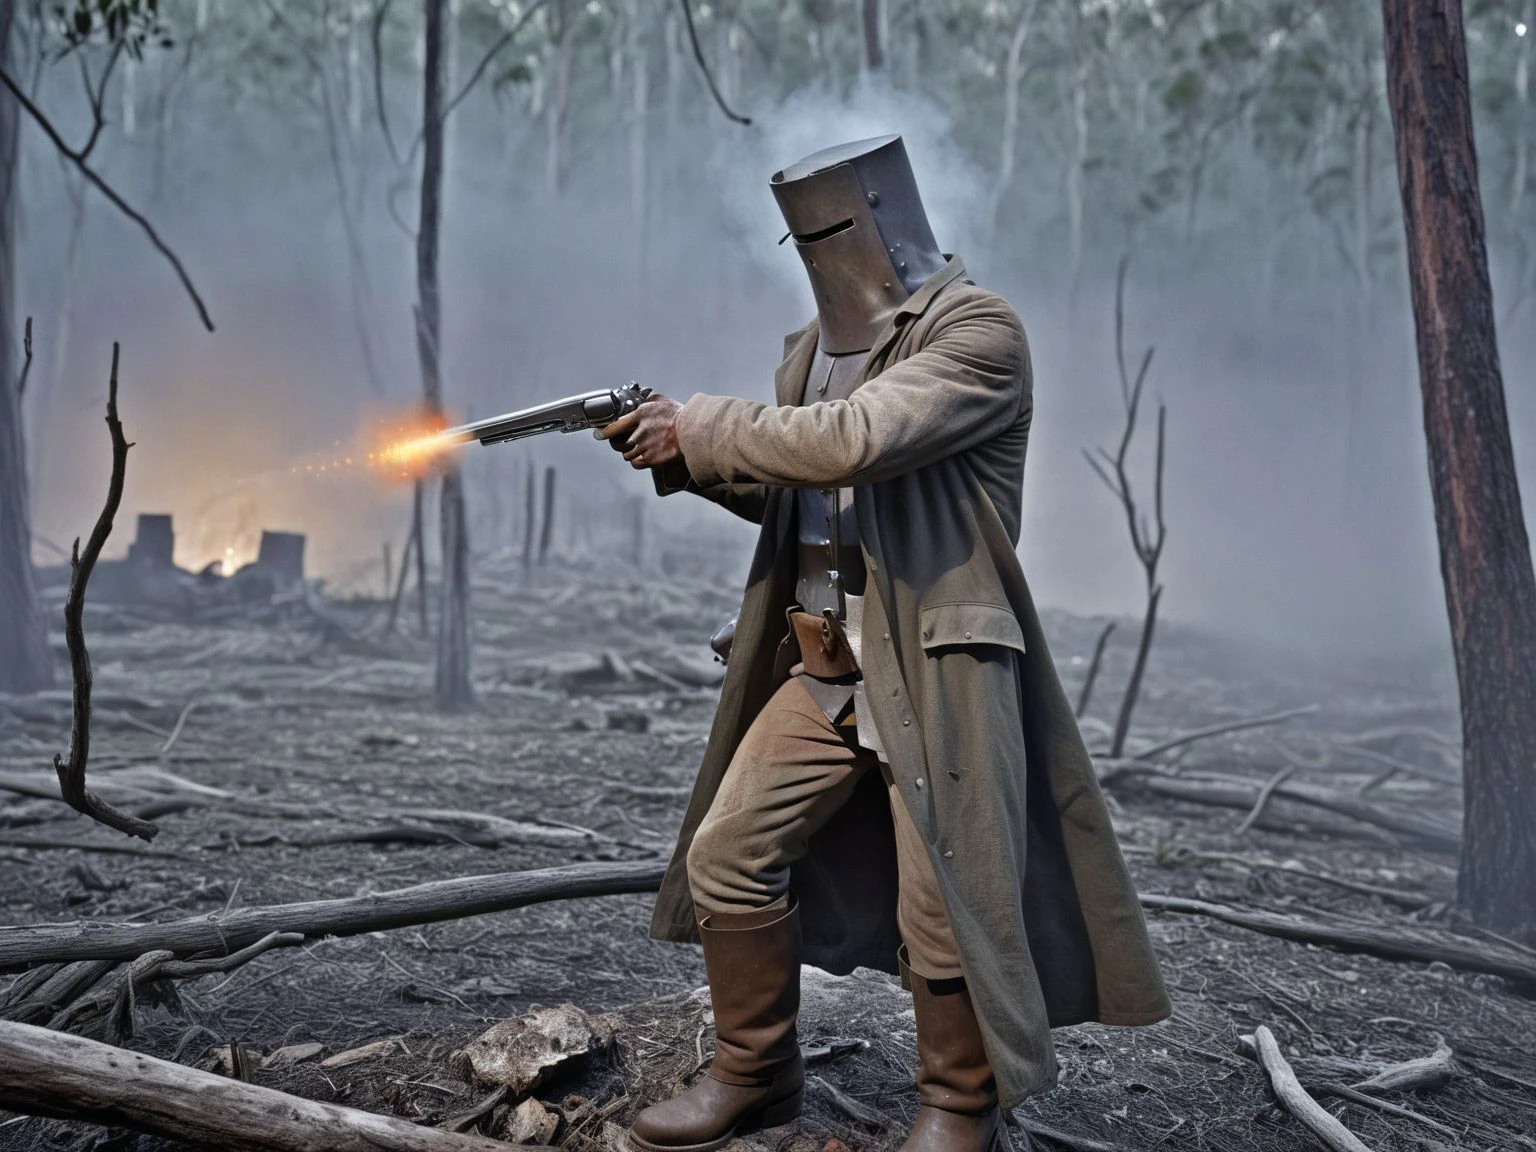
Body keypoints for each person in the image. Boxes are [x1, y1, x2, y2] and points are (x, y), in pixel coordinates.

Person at [602, 135, 1170, 1152]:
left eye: (833, 224)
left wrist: (706, 422)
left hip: (939, 661)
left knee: (944, 898)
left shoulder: (977, 333)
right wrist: (678, 453)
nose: (821, 248)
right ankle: (756, 1076)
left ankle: (958, 1110)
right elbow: (804, 492)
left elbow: (855, 440)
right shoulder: (806, 350)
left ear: (881, 213)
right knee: (728, 856)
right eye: (804, 233)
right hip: (825, 665)